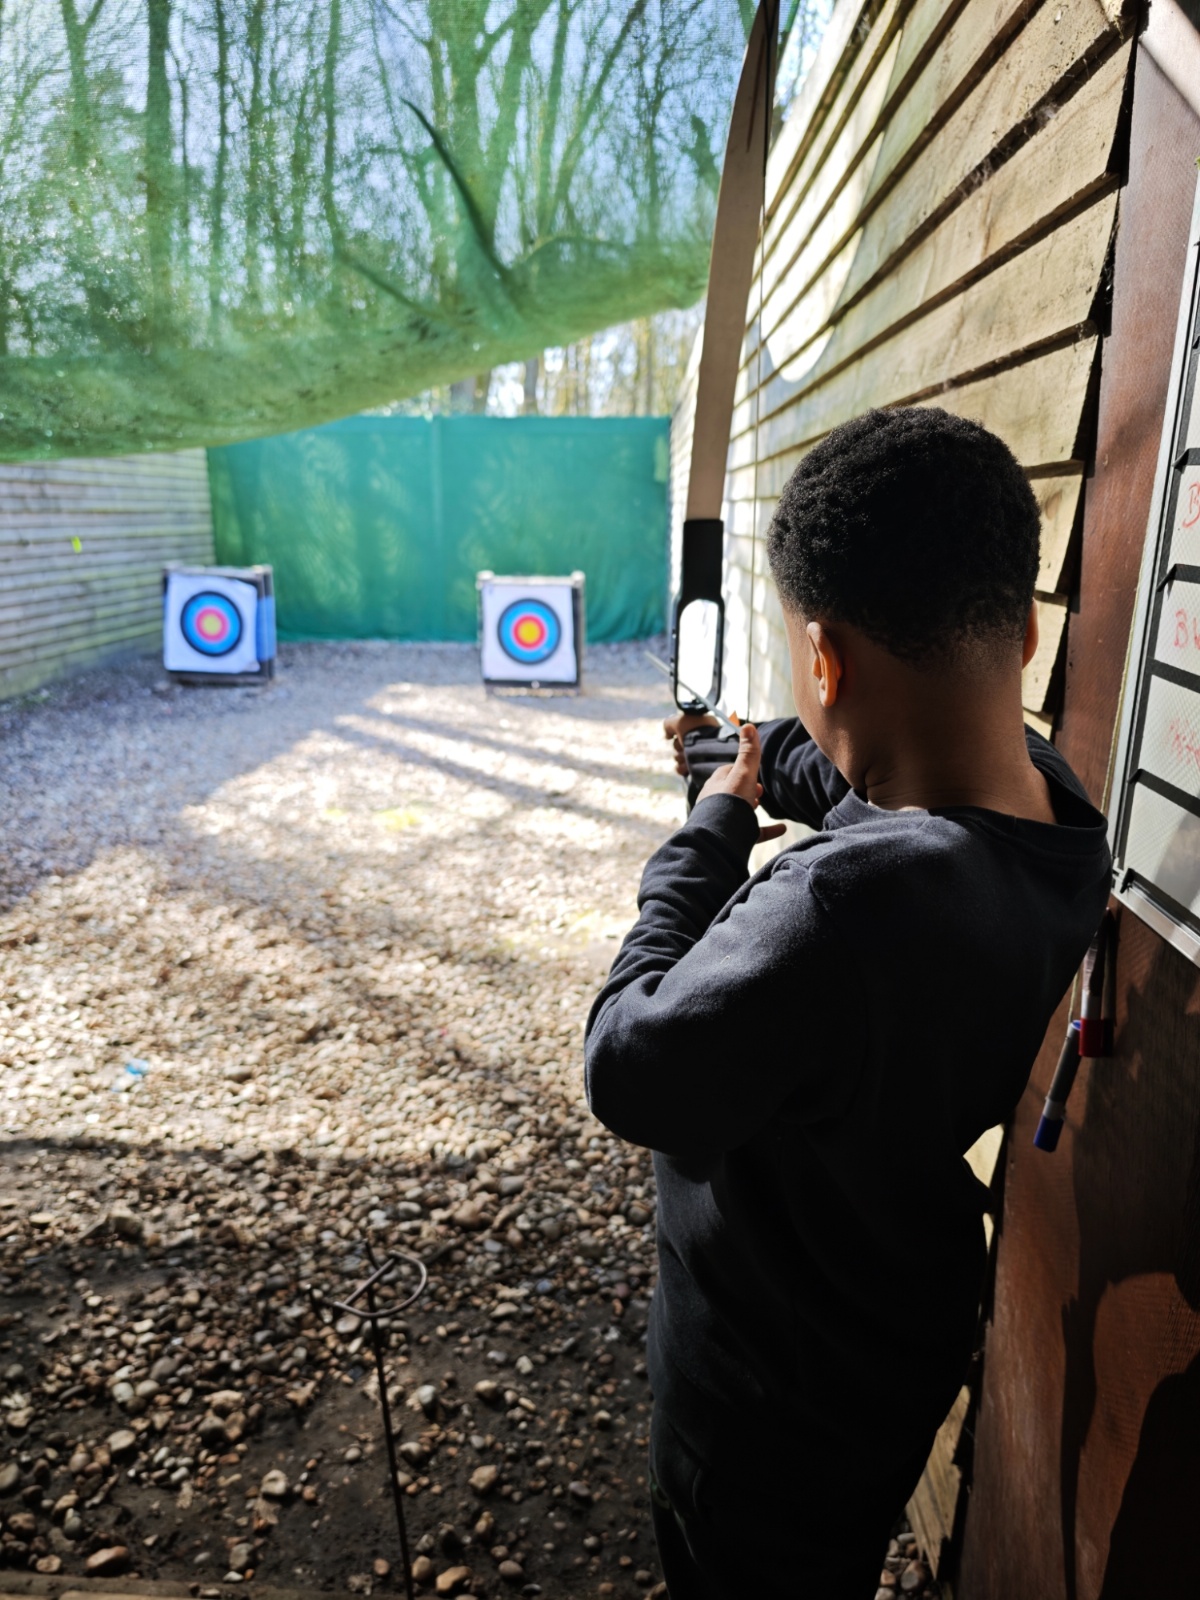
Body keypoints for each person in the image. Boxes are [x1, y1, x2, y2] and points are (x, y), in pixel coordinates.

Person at [583, 406, 1113, 1598]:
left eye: (803, 666)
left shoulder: (840, 906)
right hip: (879, 1348)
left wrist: (707, 835)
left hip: (757, 1399)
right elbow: (891, 794)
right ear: (1023, 628)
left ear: (825, 659)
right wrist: (756, 755)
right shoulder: (1057, 810)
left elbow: (627, 1063)